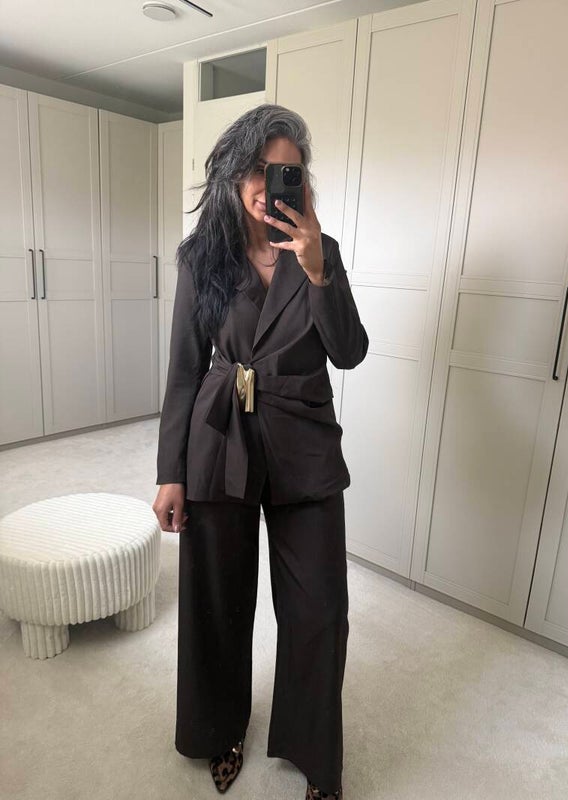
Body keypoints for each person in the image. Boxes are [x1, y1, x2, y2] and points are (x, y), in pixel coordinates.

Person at [152, 103, 368, 800]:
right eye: (258, 168)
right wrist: (170, 473)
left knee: (319, 611)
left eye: (285, 172)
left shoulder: (320, 251)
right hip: (221, 441)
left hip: (304, 445)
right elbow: (185, 371)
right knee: (217, 603)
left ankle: (314, 755)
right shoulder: (202, 258)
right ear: (234, 171)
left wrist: (318, 270)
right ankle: (221, 729)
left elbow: (350, 352)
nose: (266, 184)